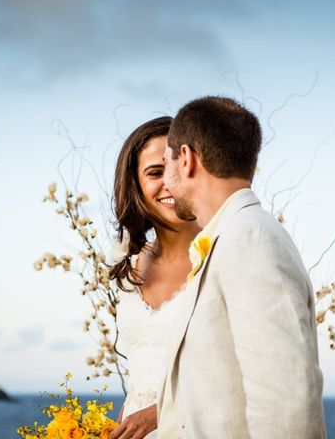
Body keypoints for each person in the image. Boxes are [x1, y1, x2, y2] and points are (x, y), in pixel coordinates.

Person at [157, 96, 326, 438]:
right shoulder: (229, 237)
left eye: (165, 165)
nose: (165, 182)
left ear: (186, 159)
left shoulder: (250, 238)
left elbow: (285, 399)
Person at [109, 116, 200, 439]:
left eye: (177, 167)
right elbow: (140, 375)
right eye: (155, 172)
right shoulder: (129, 265)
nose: (170, 182)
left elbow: (241, 371)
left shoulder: (220, 256)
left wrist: (160, 413)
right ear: (135, 183)